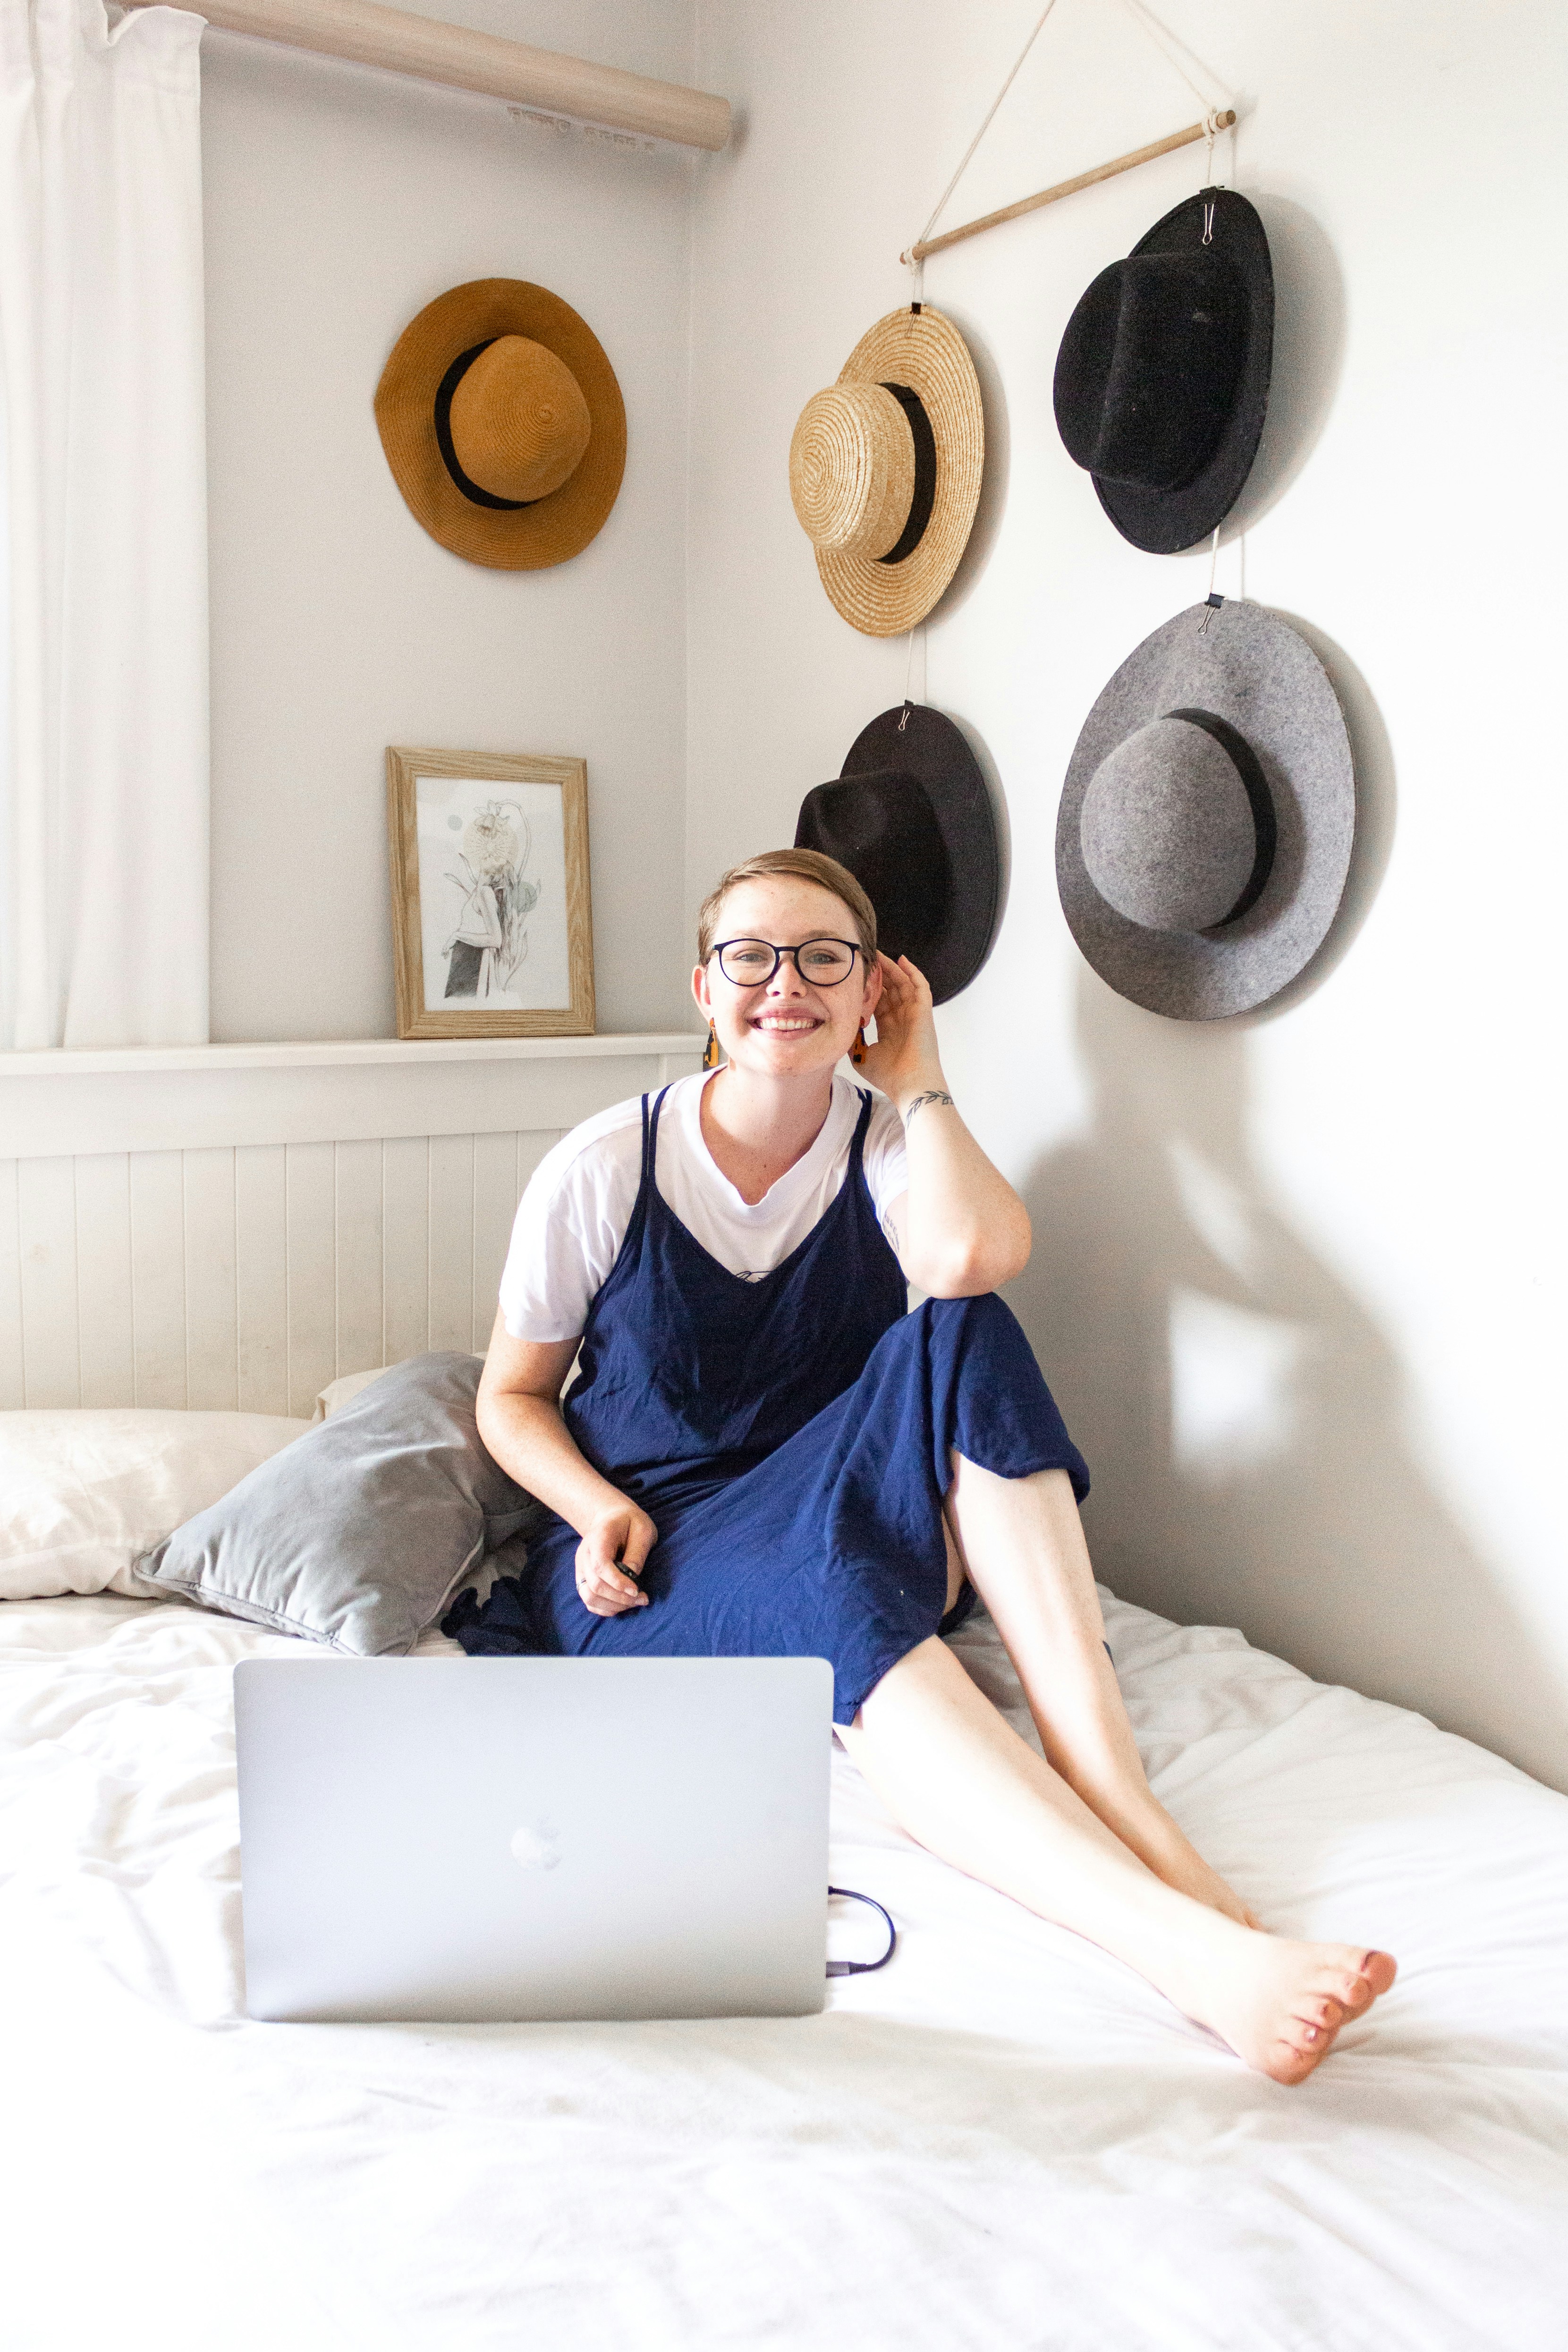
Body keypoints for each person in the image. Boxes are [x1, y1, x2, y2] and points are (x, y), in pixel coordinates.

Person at [448, 848, 1396, 2084]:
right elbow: (510, 1397)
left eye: (821, 959)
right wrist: (592, 1503)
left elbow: (969, 1259)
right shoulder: (603, 1166)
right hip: (667, 1542)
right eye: (750, 957)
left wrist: (923, 1081)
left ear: (871, 991)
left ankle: (1111, 1783)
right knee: (843, 1592)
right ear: (702, 988)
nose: (782, 984)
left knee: (964, 1325)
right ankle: (1189, 1955)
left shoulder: (887, 1145)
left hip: (842, 1501)